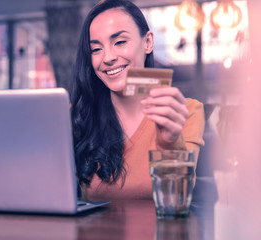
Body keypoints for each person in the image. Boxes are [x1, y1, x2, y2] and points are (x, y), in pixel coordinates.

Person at [71, 0, 205, 200]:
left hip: (159, 231)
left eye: (120, 42)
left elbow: (175, 198)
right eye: (96, 49)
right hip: (94, 231)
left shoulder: (186, 111)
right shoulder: (79, 116)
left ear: (148, 42)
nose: (107, 57)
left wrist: (169, 142)